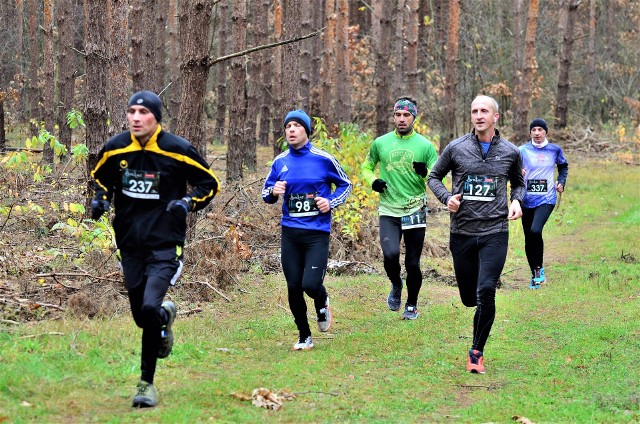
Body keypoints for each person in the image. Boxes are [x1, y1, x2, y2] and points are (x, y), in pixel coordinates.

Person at [90, 90, 220, 407]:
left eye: (143, 112)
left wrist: (187, 203)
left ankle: (146, 384)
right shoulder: (116, 147)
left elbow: (209, 184)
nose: (135, 117)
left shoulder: (178, 150)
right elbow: (101, 178)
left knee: (148, 308)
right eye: (131, 111)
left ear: (156, 117)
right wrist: (101, 200)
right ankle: (165, 316)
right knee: (142, 316)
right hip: (130, 243)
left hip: (165, 243)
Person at [427, 95, 525, 374]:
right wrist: (447, 198)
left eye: (484, 111)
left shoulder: (510, 151)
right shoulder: (456, 148)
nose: (479, 115)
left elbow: (518, 182)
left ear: (496, 116)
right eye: (474, 111)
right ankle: (475, 324)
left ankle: (476, 352)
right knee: (469, 298)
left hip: (495, 231)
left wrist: (516, 200)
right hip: (463, 233)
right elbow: (434, 177)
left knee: (486, 292)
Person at [262, 109, 352, 351]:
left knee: (310, 285)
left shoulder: (323, 159)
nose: (291, 130)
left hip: (316, 234)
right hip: (290, 233)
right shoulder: (280, 162)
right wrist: (273, 192)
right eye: (287, 126)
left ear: (306, 130)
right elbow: (266, 193)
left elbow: (346, 184)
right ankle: (304, 335)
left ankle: (322, 301)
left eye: (296, 125)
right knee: (293, 287)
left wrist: (330, 202)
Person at [361, 96, 439, 320]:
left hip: (415, 208)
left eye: (406, 115)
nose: (402, 119)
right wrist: (372, 181)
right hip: (389, 208)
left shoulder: (425, 146)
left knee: (413, 262)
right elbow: (367, 166)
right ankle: (396, 284)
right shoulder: (381, 143)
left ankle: (412, 304)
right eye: (398, 115)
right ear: (394, 116)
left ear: (414, 117)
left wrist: (425, 172)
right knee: (390, 254)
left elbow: (437, 175)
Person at [520, 118, 568, 289]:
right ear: (530, 132)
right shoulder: (522, 150)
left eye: (540, 129)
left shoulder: (554, 150)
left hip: (546, 198)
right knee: (528, 238)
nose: (537, 133)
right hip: (526, 200)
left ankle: (539, 270)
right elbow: (513, 169)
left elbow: (563, 166)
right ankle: (535, 274)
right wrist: (519, 171)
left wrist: (561, 182)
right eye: (534, 130)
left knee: (535, 230)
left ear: (546, 132)